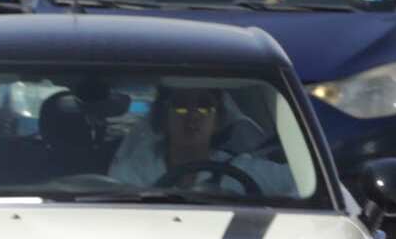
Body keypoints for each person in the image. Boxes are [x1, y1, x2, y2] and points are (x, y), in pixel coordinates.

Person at [107, 83, 293, 196]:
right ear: (163, 118)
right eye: (180, 106)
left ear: (218, 121)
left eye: (204, 106)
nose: (192, 115)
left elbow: (305, 184)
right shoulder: (134, 170)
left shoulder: (240, 169)